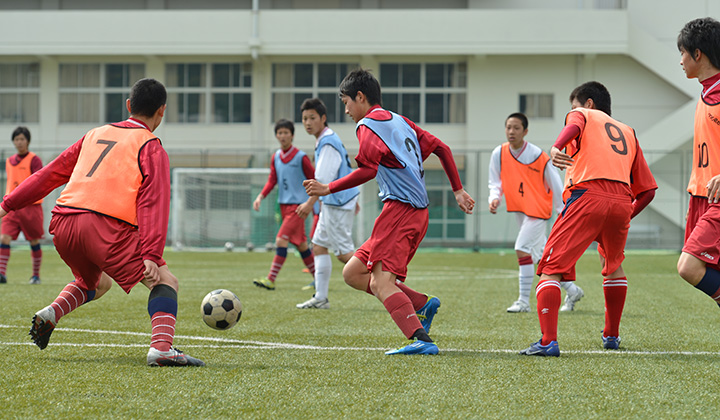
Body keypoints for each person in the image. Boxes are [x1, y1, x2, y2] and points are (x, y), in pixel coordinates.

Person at [1, 78, 204, 366]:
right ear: (162, 111)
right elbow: (153, 203)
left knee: (96, 282)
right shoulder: (150, 146)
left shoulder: (94, 134)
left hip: (64, 222)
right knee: (166, 281)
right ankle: (161, 348)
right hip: (105, 227)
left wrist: (7, 204)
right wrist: (151, 255)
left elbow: (49, 174)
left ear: (128, 106)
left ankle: (52, 313)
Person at [304, 69, 475, 355]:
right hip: (412, 212)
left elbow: (368, 169)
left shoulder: (367, 126)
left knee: (381, 282)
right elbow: (441, 148)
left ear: (360, 97)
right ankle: (422, 304)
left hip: (401, 211)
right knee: (353, 273)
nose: (346, 110)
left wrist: (327, 188)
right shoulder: (399, 120)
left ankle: (421, 340)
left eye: (346, 102)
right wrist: (457, 189)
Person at [520, 81, 657, 357]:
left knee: (550, 267)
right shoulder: (628, 131)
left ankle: (548, 341)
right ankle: (612, 336)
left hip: (587, 195)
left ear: (589, 104)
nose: (573, 111)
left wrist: (557, 146)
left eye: (574, 106)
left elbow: (573, 125)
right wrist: (625, 212)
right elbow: (648, 190)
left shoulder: (583, 113)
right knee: (614, 266)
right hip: (621, 199)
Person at [488, 113, 585, 313]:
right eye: (508, 127)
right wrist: (494, 198)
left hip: (538, 212)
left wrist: (563, 212)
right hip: (520, 211)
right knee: (541, 258)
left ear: (525, 131)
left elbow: (557, 186)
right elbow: (494, 182)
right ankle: (573, 291)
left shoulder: (539, 156)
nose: (511, 132)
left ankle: (523, 302)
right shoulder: (499, 153)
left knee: (522, 248)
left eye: (516, 128)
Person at [295, 98, 360, 309]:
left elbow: (322, 180)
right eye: (304, 118)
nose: (307, 122)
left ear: (323, 118)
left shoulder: (328, 141)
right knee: (319, 246)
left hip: (336, 203)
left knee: (343, 253)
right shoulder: (325, 138)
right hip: (336, 201)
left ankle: (387, 281)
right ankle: (321, 298)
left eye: (312, 118)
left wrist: (308, 204)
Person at [675, 18, 720, 312]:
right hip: (701, 196)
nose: (680, 61)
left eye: (682, 53)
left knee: (688, 267)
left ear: (698, 53)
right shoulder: (706, 93)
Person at [252, 118, 316, 290]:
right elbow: (272, 180)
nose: (283, 136)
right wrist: (260, 197)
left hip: (298, 208)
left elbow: (315, 178)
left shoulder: (301, 157)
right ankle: (319, 277)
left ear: (292, 135)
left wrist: (312, 201)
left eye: (286, 132)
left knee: (280, 240)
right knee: (301, 245)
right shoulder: (276, 157)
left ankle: (271, 279)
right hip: (283, 207)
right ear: (276, 136)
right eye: (279, 133)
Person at [0, 127, 44, 285]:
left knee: (33, 241)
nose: (19, 142)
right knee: (4, 238)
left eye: (22, 139)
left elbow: (39, 181)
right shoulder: (8, 161)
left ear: (28, 141)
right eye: (17, 139)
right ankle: (1, 273)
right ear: (13, 141)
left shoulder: (34, 159)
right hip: (11, 207)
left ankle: (35, 276)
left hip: (30, 207)